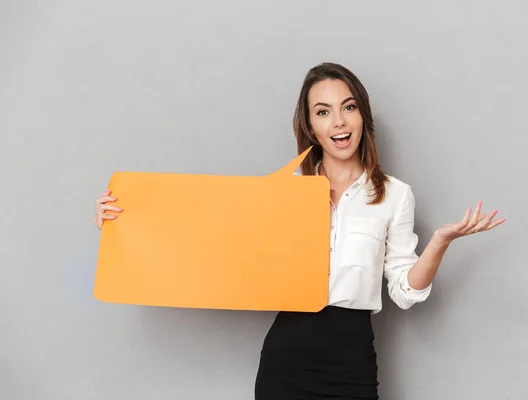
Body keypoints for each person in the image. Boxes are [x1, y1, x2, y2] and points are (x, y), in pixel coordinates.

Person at [94, 62, 505, 399]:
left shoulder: (395, 195)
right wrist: (124, 221)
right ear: (310, 126)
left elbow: (404, 291)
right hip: (286, 359)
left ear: (363, 114)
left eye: (348, 107)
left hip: (351, 357)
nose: (338, 122)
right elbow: (207, 246)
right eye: (323, 111)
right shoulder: (285, 193)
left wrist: (439, 242)